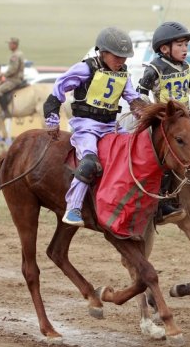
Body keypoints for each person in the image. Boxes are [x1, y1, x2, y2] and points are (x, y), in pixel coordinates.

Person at [43, 26, 145, 227]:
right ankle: (73, 207)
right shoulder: (85, 68)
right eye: (117, 57)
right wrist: (52, 116)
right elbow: (59, 88)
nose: (122, 61)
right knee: (90, 161)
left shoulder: (123, 74)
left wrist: (145, 110)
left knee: (136, 152)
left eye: (125, 58)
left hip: (110, 126)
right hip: (86, 126)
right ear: (103, 52)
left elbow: (133, 98)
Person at [137, 21, 190, 220]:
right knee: (158, 158)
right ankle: (162, 202)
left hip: (186, 119)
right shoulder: (154, 69)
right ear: (164, 48)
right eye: (180, 45)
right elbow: (141, 95)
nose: (185, 49)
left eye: (186, 45)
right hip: (164, 122)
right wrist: (151, 112)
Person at [0, 37, 25, 117]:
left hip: (14, 80)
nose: (9, 45)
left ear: (15, 45)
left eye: (10, 44)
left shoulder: (15, 55)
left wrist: (3, 74)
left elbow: (13, 69)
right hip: (15, 78)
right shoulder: (19, 53)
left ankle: (6, 112)